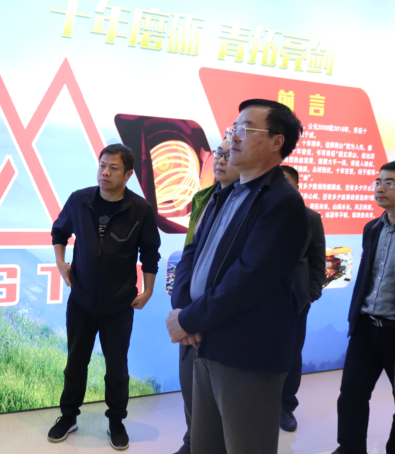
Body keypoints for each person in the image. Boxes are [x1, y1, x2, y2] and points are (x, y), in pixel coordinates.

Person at [166, 99, 307, 454]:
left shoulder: (282, 202)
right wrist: (183, 310)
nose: (234, 138)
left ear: (276, 141)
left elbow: (248, 280)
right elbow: (191, 254)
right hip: (205, 342)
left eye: (245, 129)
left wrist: (188, 319)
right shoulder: (224, 194)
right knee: (204, 445)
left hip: (246, 354)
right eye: (234, 128)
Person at [47, 143, 161, 451]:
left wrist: (148, 290)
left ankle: (116, 421)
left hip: (119, 305)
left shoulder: (140, 210)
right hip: (81, 301)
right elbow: (59, 231)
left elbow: (151, 254)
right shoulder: (80, 199)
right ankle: (68, 416)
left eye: (113, 168)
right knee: (75, 363)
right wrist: (60, 262)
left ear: (128, 174)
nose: (105, 172)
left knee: (117, 368)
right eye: (102, 166)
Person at [174, 135, 239, 454]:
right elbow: (189, 253)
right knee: (190, 386)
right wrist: (182, 310)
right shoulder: (204, 199)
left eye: (229, 155)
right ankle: (192, 441)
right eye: (218, 154)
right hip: (192, 313)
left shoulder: (250, 203)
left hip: (222, 317)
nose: (221, 161)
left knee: (224, 403)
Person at [332, 162, 395, 454]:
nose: (380, 188)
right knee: (351, 396)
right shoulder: (372, 228)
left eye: (389, 182)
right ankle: (350, 449)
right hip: (366, 327)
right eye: (378, 181)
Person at [279, 165, 326, 432]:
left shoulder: (310, 218)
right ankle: (257, 402)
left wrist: (311, 294)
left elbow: (318, 260)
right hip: (259, 301)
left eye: (286, 182)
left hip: (296, 301)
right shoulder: (258, 214)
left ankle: (285, 405)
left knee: (292, 355)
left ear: (297, 188)